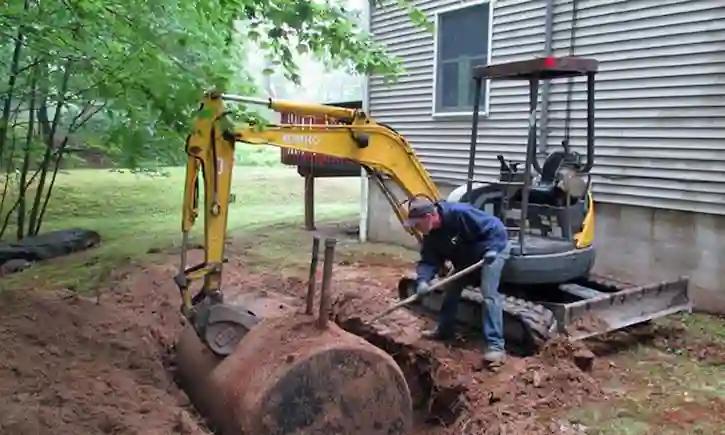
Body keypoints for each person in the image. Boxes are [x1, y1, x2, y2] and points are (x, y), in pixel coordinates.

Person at [404, 197, 511, 367]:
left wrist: (492, 250)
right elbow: (429, 261)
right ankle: (444, 330)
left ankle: (496, 347)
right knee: (451, 288)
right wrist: (423, 280)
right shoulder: (431, 237)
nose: (416, 228)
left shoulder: (460, 213)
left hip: (493, 251)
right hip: (466, 258)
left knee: (488, 293)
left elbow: (496, 228)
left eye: (417, 224)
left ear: (429, 216)